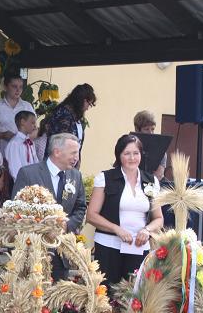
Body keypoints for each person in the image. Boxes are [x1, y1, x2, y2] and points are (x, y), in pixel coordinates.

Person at [86, 134, 165, 289]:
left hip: (139, 247)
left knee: (133, 294)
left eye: (136, 153)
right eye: (127, 153)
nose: (132, 158)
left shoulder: (151, 181)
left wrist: (147, 230)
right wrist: (116, 229)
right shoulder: (105, 178)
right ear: (119, 155)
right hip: (109, 246)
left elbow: (159, 218)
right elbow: (91, 215)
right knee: (106, 293)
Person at [11, 133, 87, 280]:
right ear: (57, 152)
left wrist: (66, 225)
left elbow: (80, 207)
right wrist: (44, 227)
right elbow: (16, 210)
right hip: (33, 252)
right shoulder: (28, 173)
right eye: (73, 153)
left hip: (61, 252)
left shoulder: (75, 176)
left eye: (77, 153)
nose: (76, 157)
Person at [42, 83, 96, 165]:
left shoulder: (75, 117)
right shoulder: (63, 115)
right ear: (82, 100)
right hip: (58, 164)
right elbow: (62, 143)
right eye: (88, 103)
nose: (87, 108)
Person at [0, 73, 35, 154]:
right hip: (2, 153)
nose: (18, 90)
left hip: (23, 153)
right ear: (5, 87)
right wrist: (2, 135)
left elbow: (35, 130)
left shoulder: (27, 106)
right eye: (14, 86)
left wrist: (22, 138)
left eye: (20, 87)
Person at [3, 110, 38, 182]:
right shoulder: (14, 144)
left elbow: (35, 161)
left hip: (33, 180)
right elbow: (15, 167)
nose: (35, 126)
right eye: (32, 123)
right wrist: (22, 182)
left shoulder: (30, 142)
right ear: (22, 122)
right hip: (23, 183)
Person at [133, 110, 167, 179]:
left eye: (152, 129)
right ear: (137, 130)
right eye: (146, 129)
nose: (151, 132)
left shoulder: (160, 151)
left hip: (152, 184)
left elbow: (158, 176)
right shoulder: (128, 148)